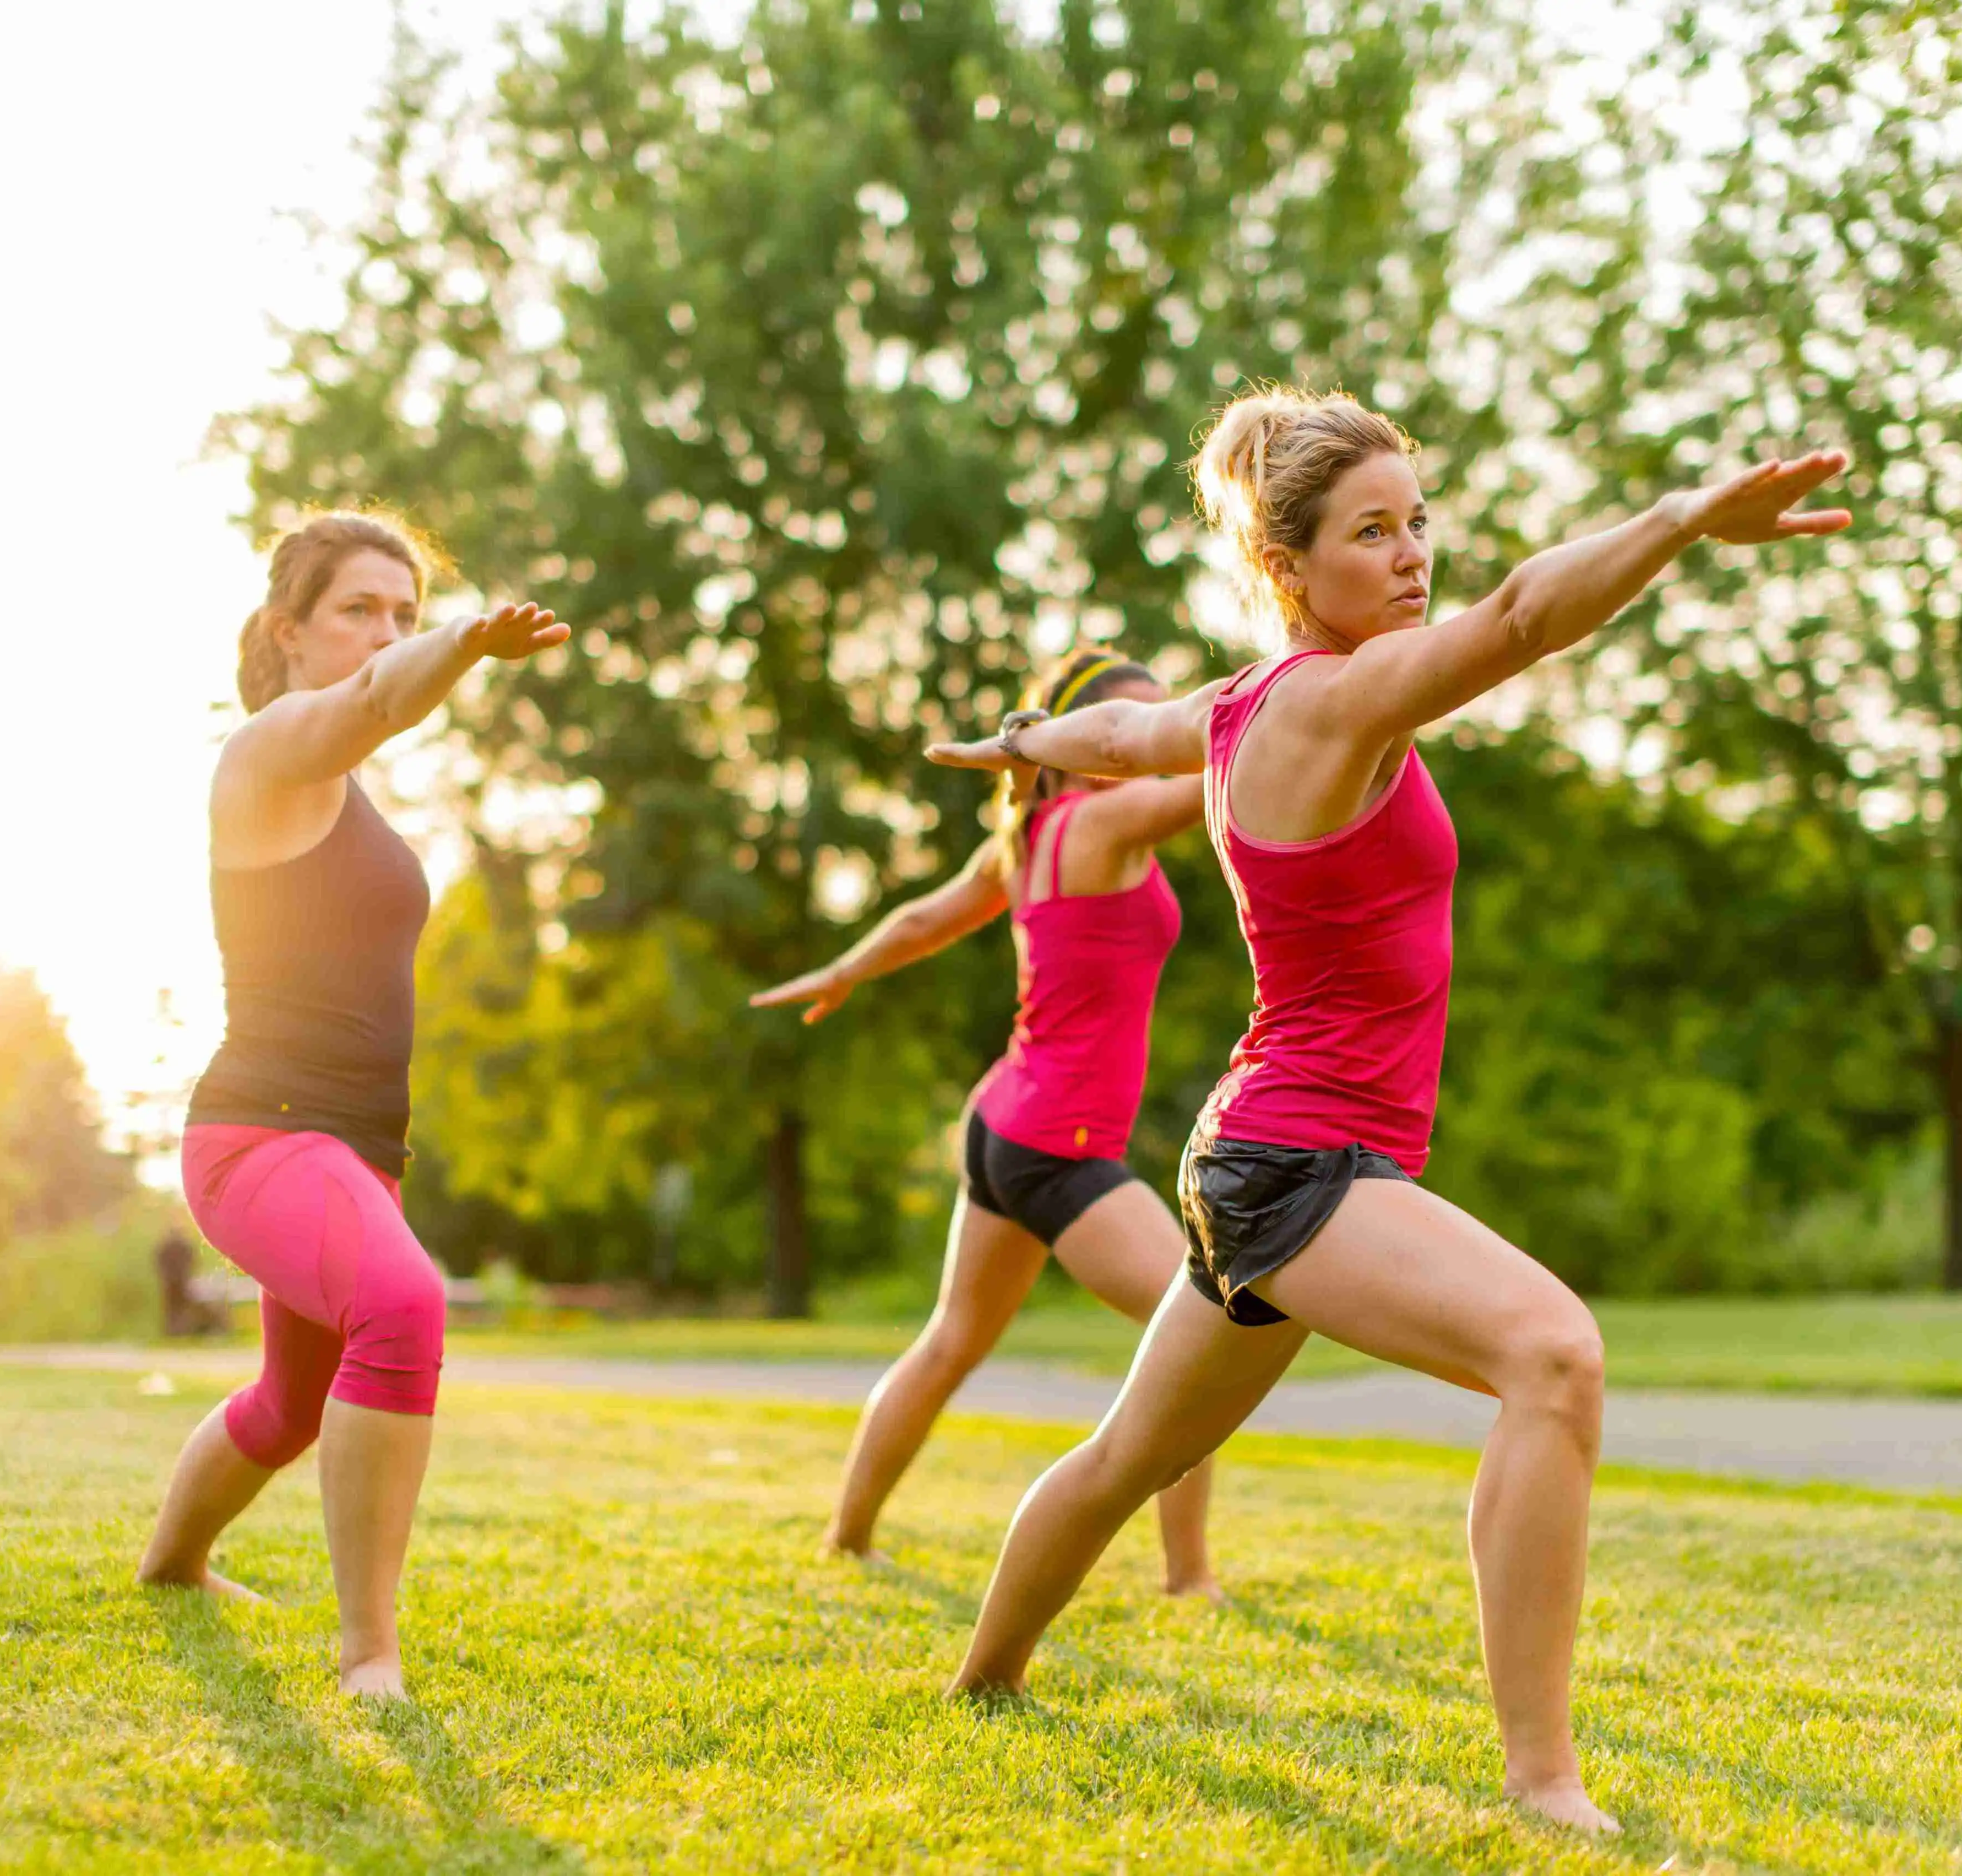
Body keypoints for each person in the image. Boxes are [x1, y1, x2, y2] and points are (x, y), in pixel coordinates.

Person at [926, 387, 1849, 1832]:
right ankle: (1545, 1782)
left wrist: (1026, 744)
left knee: (1131, 1455)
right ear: (1291, 568)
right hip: (1301, 1160)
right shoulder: (1335, 695)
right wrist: (1677, 520)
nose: (1414, 555)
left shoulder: (1231, 708)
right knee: (1553, 1353)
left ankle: (981, 1683)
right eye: (1374, 532)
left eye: (1420, 521)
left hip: (1263, 1151)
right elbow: (1528, 616)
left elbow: (1136, 737)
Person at [136, 510, 567, 1700]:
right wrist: (469, 641)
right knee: (403, 1300)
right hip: (263, 1134)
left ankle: (173, 1562)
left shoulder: (348, 791)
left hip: (351, 1152)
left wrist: (451, 643)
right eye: (358, 609)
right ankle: (369, 1648)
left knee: (290, 1403)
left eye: (403, 613)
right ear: (290, 631)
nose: (385, 632)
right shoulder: (269, 749)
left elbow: (377, 705)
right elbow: (377, 701)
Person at [751, 648, 1223, 1595]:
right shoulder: (1108, 818)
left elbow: (928, 917)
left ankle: (849, 1532)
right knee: (1202, 1330)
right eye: (1117, 729)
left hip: (1002, 1122)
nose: (1134, 743)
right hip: (1060, 1146)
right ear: (1070, 742)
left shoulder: (1028, 836)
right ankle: (1189, 1579)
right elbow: (1225, 751)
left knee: (950, 1341)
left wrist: (844, 970)